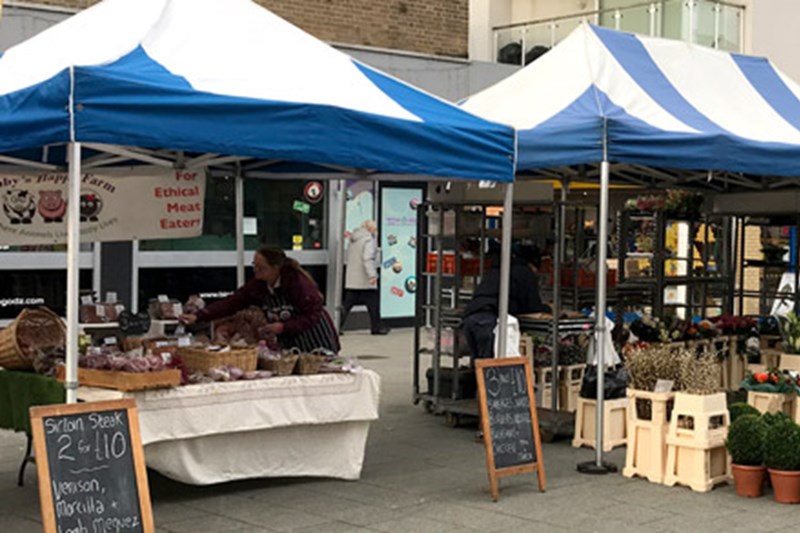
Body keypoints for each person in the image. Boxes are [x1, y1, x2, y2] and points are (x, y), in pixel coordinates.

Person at [179, 247, 340, 353]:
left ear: (275, 268)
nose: (255, 270)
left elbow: (312, 315)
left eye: (261, 267)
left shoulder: (298, 283)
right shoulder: (258, 285)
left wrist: (283, 326)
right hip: (291, 341)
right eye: (254, 265)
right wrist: (199, 316)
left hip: (315, 337)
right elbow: (232, 302)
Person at [461, 244, 549, 359]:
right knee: (488, 367)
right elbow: (532, 306)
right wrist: (548, 309)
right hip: (487, 320)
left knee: (478, 364)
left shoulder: (500, 268)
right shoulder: (525, 272)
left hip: (470, 317)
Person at [340, 220, 389, 335]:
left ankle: (337, 326)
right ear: (371, 229)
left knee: (347, 304)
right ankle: (376, 328)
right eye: (375, 229)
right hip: (364, 279)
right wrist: (372, 275)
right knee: (373, 305)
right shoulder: (368, 240)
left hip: (353, 279)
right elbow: (367, 258)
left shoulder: (353, 240)